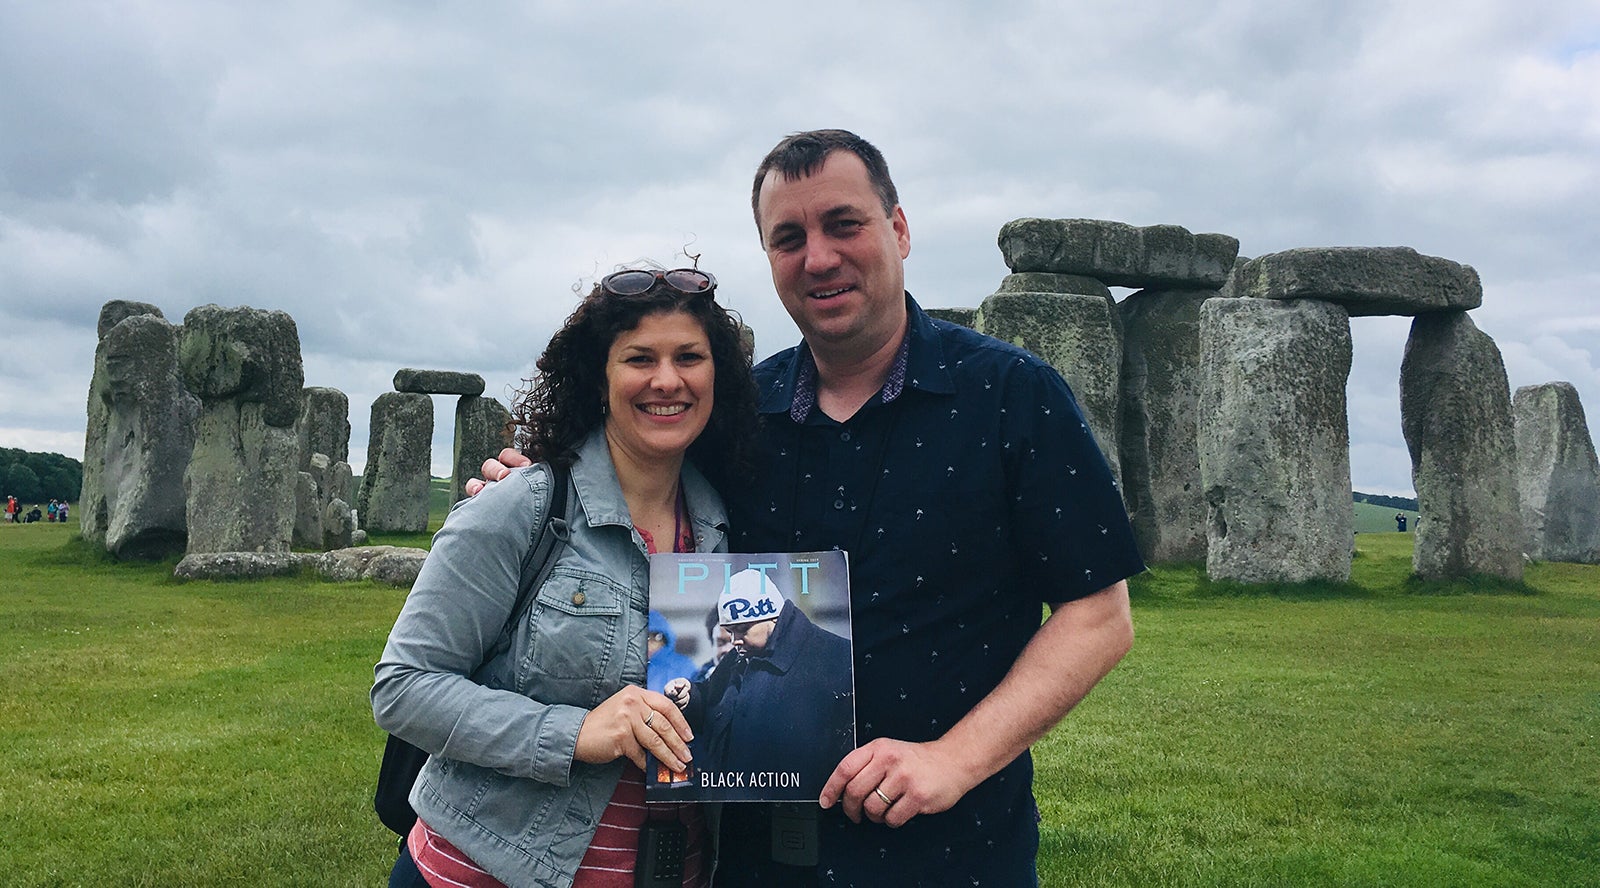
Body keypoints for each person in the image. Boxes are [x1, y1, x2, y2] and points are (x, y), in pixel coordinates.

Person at [476, 129, 1144, 886]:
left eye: (844, 224)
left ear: (899, 228)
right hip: (752, 857)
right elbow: (628, 479)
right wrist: (534, 481)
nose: (818, 257)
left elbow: (1099, 616)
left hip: (951, 851)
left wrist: (954, 760)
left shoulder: (1013, 396)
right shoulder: (735, 411)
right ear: (769, 259)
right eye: (788, 238)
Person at [373, 265, 758, 888]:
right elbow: (403, 686)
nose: (667, 379)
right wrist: (576, 732)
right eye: (639, 358)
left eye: (690, 356)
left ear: (719, 377)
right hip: (487, 872)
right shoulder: (521, 504)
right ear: (599, 379)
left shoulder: (726, 527)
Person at [663, 569, 853, 800]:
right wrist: (691, 696)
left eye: (742, 630)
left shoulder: (836, 658)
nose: (735, 641)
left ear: (773, 618)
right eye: (730, 632)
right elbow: (711, 699)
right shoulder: (741, 654)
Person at [645, 609, 700, 695]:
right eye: (646, 638)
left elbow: (696, 695)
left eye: (656, 638)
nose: (649, 644)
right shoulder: (632, 667)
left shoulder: (683, 665)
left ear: (665, 639)